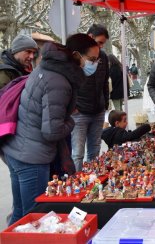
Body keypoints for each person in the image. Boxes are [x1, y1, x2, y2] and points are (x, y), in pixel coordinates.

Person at [1, 33, 99, 225]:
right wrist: (71, 120)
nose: (94, 64)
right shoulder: (59, 81)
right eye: (92, 59)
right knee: (34, 217)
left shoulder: (48, 68)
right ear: (78, 56)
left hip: (18, 148)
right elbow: (52, 131)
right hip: (31, 156)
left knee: (20, 212)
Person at [71, 24, 110, 172]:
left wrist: (105, 103)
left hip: (98, 110)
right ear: (90, 37)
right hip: (79, 112)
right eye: (99, 42)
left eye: (102, 44)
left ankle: (92, 181)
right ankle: (76, 183)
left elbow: (105, 82)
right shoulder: (76, 56)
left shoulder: (104, 57)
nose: (100, 47)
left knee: (94, 150)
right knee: (77, 154)